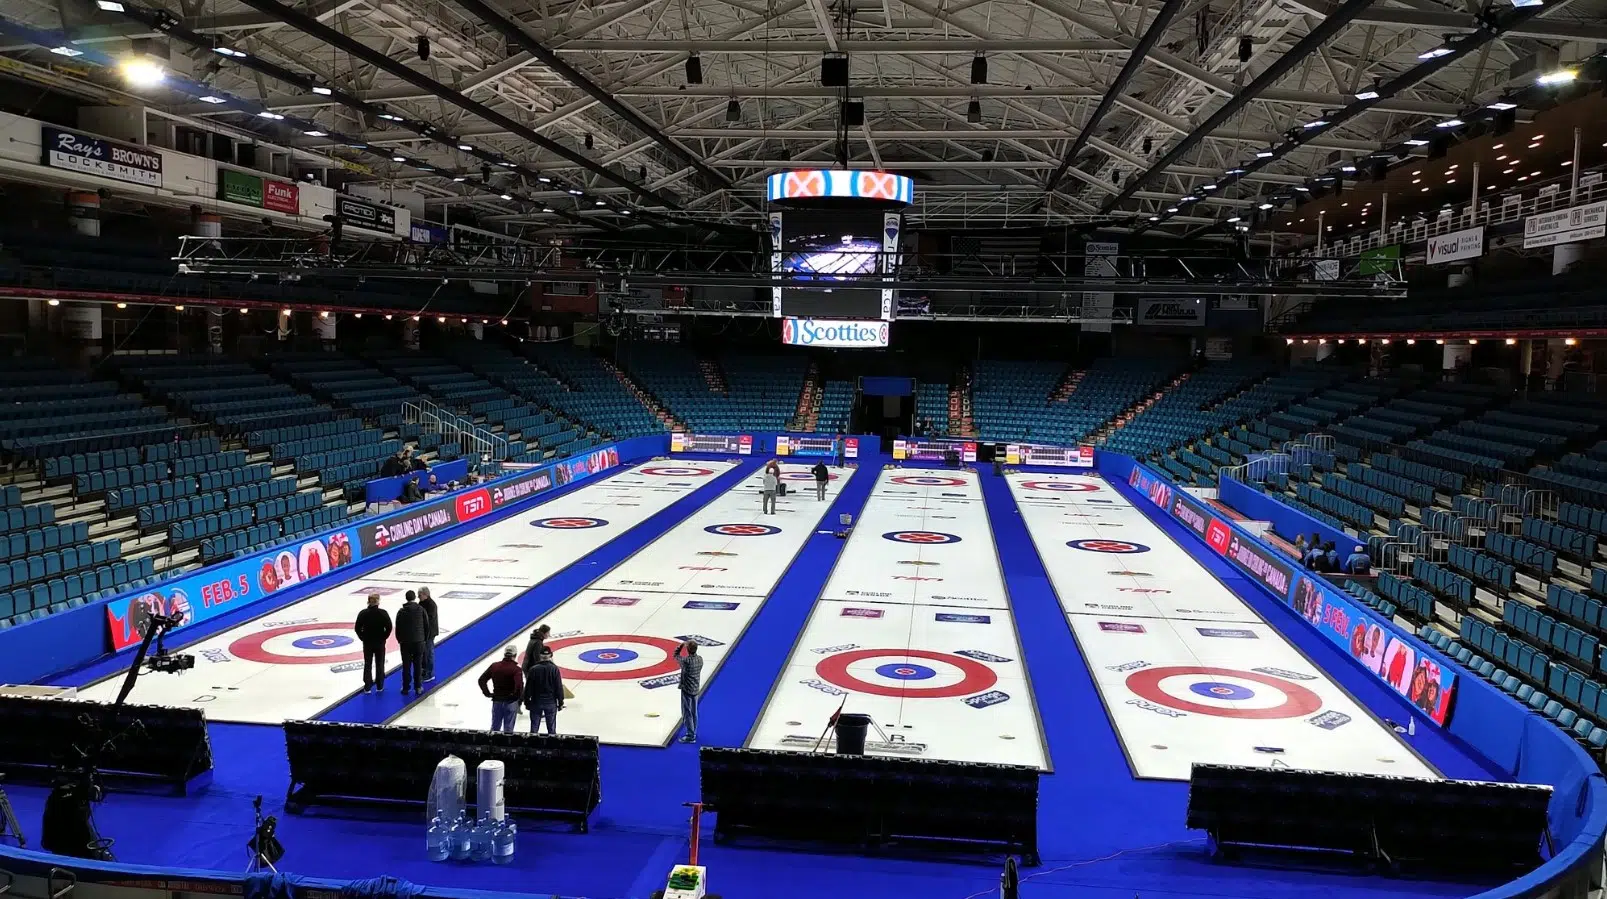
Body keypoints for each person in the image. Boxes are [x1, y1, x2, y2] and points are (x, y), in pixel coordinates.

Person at [478, 646, 525, 733]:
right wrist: (517, 698)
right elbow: (519, 686)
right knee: (508, 729)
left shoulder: (494, 666)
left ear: (504, 654)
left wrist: (487, 693)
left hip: (497, 700)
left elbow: (482, 680)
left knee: (495, 727)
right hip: (510, 701)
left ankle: (493, 745)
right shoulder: (516, 669)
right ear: (515, 655)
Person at [354, 593, 393, 693]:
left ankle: (367, 686)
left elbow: (357, 628)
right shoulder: (383, 613)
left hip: (367, 643)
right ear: (378, 601)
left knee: (368, 664)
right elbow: (389, 627)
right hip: (379, 643)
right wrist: (384, 637)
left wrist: (362, 637)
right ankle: (380, 686)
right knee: (380, 664)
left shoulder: (363, 613)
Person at [523, 647, 565, 735]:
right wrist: (560, 702)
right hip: (550, 702)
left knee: (534, 728)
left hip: (536, 702)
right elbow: (558, 687)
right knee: (551, 729)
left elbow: (528, 688)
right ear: (550, 655)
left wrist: (526, 702)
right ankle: (552, 747)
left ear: (540, 655)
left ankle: (533, 746)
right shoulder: (554, 669)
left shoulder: (533, 669)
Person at [395, 589, 427, 695]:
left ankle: (405, 688)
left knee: (406, 666)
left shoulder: (401, 611)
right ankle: (418, 687)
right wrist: (424, 639)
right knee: (418, 665)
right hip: (419, 642)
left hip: (405, 643)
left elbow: (397, 628)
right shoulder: (421, 609)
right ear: (414, 598)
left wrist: (400, 640)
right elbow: (426, 626)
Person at [676, 641, 703, 743]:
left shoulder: (686, 661)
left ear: (687, 650)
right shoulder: (700, 659)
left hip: (687, 689)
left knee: (687, 713)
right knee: (694, 711)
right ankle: (693, 732)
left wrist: (680, 646)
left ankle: (690, 736)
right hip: (695, 689)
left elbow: (676, 656)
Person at [418, 586, 439, 682]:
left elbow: (429, 619)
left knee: (429, 652)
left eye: (420, 595)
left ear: (425, 594)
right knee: (423, 652)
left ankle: (429, 673)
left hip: (429, 633)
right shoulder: (421, 603)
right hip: (423, 632)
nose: (418, 597)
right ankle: (424, 670)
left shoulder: (431, 605)